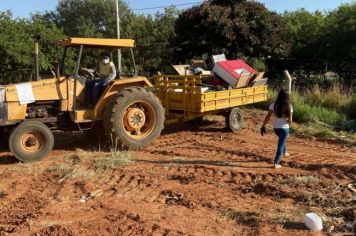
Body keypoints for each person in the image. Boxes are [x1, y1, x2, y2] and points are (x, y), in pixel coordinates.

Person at [261, 89, 293, 169]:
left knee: (282, 140)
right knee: (280, 145)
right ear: (287, 97)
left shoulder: (273, 105)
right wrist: (286, 122)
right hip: (284, 128)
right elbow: (290, 121)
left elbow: (267, 117)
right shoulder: (289, 106)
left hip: (275, 128)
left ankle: (285, 152)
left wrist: (263, 126)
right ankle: (276, 163)